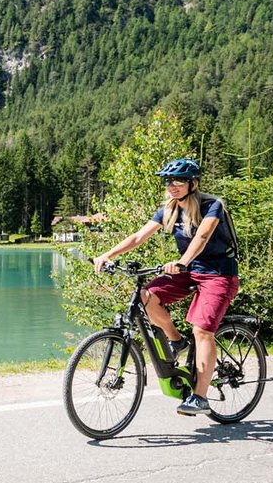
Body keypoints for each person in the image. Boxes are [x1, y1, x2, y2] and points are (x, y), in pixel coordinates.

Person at [93, 158, 241, 416]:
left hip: (218, 274)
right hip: (190, 271)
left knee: (202, 330)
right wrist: (108, 254)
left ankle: (200, 397)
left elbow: (203, 236)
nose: (172, 186)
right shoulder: (169, 210)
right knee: (145, 296)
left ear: (192, 184)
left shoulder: (212, 205)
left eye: (178, 181)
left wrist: (182, 262)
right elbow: (138, 237)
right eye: (168, 181)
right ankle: (176, 340)